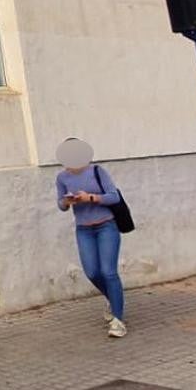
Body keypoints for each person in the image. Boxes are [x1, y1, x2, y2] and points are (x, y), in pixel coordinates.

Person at [55, 138, 127, 338]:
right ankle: (113, 300)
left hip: (107, 225)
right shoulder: (62, 178)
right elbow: (60, 205)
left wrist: (91, 198)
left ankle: (118, 320)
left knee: (109, 272)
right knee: (92, 272)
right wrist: (67, 201)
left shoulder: (97, 171)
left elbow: (114, 197)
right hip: (83, 229)